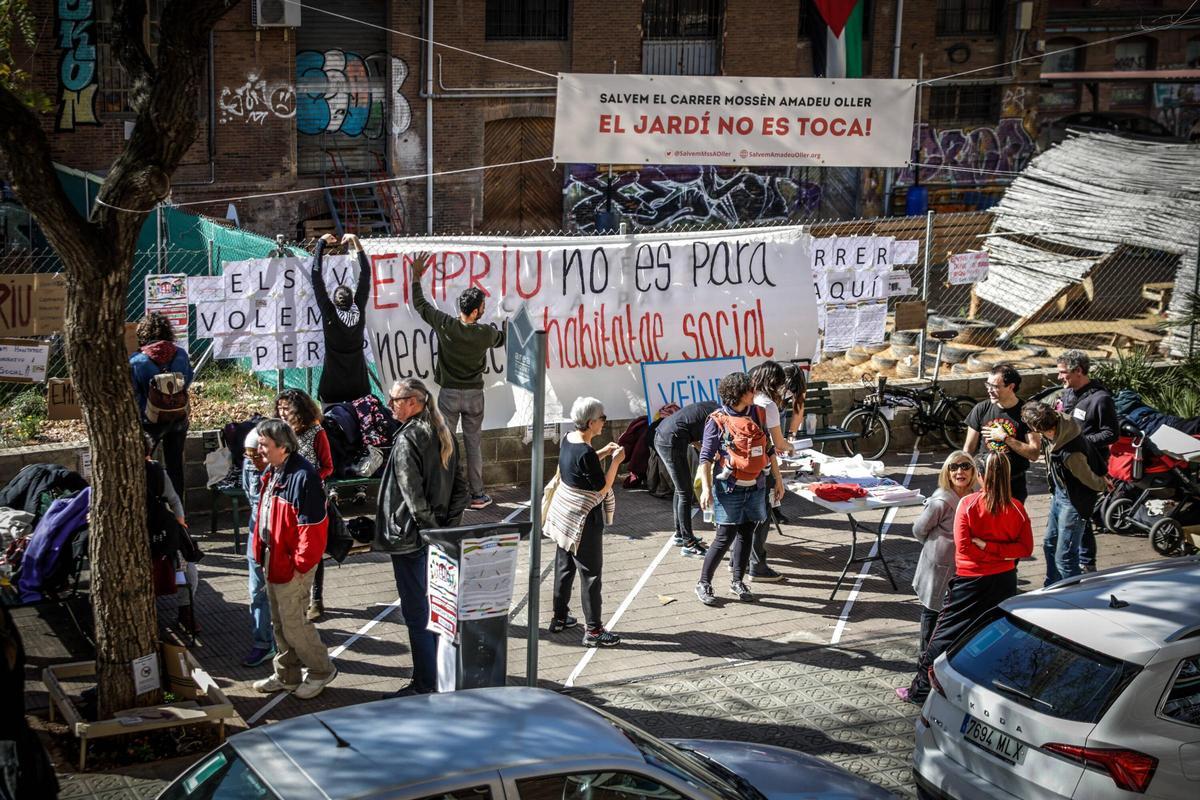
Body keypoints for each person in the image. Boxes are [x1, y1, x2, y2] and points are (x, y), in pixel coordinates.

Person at [898, 453, 1032, 704]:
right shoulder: (1016, 507)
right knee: (992, 635)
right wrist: (1000, 552)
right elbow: (1023, 549)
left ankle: (919, 692)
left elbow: (965, 549)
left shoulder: (969, 503)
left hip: (970, 582)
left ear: (980, 476)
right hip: (1004, 579)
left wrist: (984, 545)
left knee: (940, 638)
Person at [375, 378, 469, 694]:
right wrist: (445, 529)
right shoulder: (442, 433)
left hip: (413, 539)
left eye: (395, 399)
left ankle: (425, 683)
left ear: (414, 401)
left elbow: (413, 497)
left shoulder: (407, 440)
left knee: (417, 614)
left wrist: (431, 531)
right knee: (437, 612)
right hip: (436, 537)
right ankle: (442, 677)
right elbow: (462, 490)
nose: (390, 405)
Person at [410, 252, 505, 511]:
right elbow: (502, 338)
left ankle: (445, 493)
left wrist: (415, 277)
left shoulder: (446, 325)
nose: (484, 310)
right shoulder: (485, 333)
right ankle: (477, 495)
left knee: (445, 444)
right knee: (473, 445)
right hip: (474, 396)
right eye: (483, 307)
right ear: (475, 312)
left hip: (449, 395)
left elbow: (421, 305)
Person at [250, 419, 337, 700]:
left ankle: (322, 670)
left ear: (283, 447)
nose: (258, 449)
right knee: (279, 622)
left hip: (290, 565)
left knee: (294, 624)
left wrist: (298, 566)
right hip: (273, 558)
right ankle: (287, 675)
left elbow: (312, 530)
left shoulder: (303, 476)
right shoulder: (275, 471)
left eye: (264, 444)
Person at [695, 372, 785, 606]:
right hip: (729, 488)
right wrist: (706, 489)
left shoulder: (758, 412)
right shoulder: (717, 420)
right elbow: (705, 458)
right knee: (724, 537)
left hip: (756, 486)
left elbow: (770, 449)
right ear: (739, 393)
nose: (754, 392)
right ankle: (704, 583)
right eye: (750, 389)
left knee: (747, 533)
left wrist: (778, 480)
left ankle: (738, 581)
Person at [546, 397, 625, 647]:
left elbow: (581, 466)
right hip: (583, 520)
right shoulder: (586, 452)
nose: (604, 422)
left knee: (564, 566)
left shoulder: (569, 440)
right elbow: (602, 488)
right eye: (602, 418)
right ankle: (593, 631)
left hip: (563, 517)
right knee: (591, 574)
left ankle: (559, 618)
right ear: (591, 422)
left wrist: (602, 452)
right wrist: (616, 461)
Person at [1022, 402, 1108, 587]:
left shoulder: (1070, 453)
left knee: (1065, 557)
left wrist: (1103, 483)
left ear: (1037, 428)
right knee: (1049, 544)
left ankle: (1073, 596)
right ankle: (1052, 586)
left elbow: (1090, 479)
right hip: (1060, 493)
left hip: (1074, 502)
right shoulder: (1059, 425)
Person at [1055, 350, 1118, 573]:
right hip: (1065, 465)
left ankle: (1086, 563)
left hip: (1089, 465)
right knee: (1079, 514)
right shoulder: (1069, 393)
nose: (1059, 377)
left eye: (1063, 373)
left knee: (1080, 512)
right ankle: (1084, 560)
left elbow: (1111, 434)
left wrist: (1079, 441)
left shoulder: (1101, 399)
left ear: (1079, 371)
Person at [912, 451, 978, 653]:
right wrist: (936, 547)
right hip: (939, 566)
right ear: (947, 473)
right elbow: (919, 529)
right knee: (932, 609)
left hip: (965, 565)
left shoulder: (976, 495)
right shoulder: (941, 501)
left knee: (957, 611)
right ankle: (925, 659)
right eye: (954, 467)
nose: (960, 471)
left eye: (965, 466)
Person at [276, 389, 333, 621]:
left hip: (311, 498)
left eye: (286, 408)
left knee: (313, 551)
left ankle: (316, 600)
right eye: (279, 408)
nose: (281, 413)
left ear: (299, 409)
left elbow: (328, 466)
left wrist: (308, 479)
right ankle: (295, 598)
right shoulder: (278, 432)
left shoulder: (316, 432)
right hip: (285, 498)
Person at [129, 311, 193, 505]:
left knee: (144, 464)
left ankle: (150, 508)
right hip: (178, 418)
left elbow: (134, 391)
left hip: (150, 421)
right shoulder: (180, 354)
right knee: (175, 467)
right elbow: (187, 380)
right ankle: (179, 514)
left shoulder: (136, 360)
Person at [144, 433, 199, 634]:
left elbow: (174, 500)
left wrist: (180, 527)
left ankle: (186, 612)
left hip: (159, 534)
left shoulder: (156, 471)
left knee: (189, 568)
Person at [963, 364, 1040, 502]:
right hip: (984, 481)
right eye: (988, 385)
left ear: (1011, 387)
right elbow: (968, 449)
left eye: (995, 387)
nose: (989, 390)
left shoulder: (1026, 413)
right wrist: (964, 477)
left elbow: (1034, 453)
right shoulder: (981, 409)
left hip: (1013, 484)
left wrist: (1005, 438)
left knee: (1010, 523)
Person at [311, 233, 372, 404]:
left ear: (334, 301)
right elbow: (365, 274)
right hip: (359, 388)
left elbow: (316, 278)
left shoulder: (329, 314)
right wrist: (356, 241)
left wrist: (321, 243)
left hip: (331, 388)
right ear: (353, 299)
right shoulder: (358, 310)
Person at [748, 361, 795, 582]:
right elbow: (777, 443)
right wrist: (790, 446)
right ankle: (757, 566)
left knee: (742, 518)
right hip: (760, 468)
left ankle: (737, 563)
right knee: (761, 517)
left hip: (738, 467)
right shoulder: (768, 405)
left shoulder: (746, 400)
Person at [652, 400, 716, 558]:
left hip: (664, 434)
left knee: (681, 489)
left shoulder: (711, 408)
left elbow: (691, 429)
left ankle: (680, 535)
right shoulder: (717, 418)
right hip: (670, 442)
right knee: (685, 493)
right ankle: (688, 544)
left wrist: (702, 449)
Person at [240, 429, 275, 668]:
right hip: (257, 536)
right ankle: (262, 644)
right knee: (257, 591)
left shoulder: (291, 471)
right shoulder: (249, 465)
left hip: (281, 540)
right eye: (248, 456)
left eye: (257, 456)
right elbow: (248, 492)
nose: (253, 461)